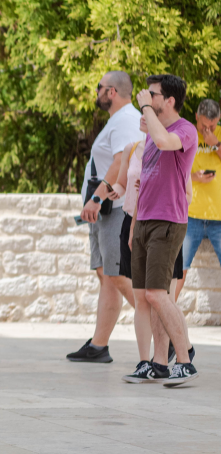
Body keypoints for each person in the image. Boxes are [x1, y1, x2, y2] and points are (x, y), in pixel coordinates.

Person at [66, 71, 140, 363]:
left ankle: (169, 335)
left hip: (114, 206)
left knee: (119, 275)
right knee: (107, 275)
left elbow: (122, 160)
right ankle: (99, 346)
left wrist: (97, 197)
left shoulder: (126, 120)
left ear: (111, 91)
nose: (95, 92)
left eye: (99, 88)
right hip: (105, 208)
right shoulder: (118, 120)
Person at [130, 74, 199, 386]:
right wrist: (134, 226)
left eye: (153, 94)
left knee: (159, 293)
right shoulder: (151, 131)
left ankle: (184, 360)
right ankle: (158, 363)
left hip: (168, 221)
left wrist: (145, 108)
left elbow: (163, 142)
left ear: (169, 100)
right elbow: (147, 177)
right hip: (145, 221)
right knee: (148, 296)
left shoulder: (185, 130)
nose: (146, 96)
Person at [116, 119, 189, 383]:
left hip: (167, 224)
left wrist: (156, 191)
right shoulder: (136, 147)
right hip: (138, 223)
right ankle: (148, 362)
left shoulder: (173, 149)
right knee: (143, 298)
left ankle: (178, 355)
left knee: (161, 296)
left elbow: (186, 193)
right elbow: (125, 186)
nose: (143, 117)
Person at [174, 99, 221, 302]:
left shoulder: (219, 136)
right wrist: (194, 177)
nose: (208, 130)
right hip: (190, 215)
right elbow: (173, 170)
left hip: (219, 217)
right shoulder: (187, 134)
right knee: (178, 271)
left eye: (213, 126)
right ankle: (164, 316)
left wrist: (216, 145)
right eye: (204, 126)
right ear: (196, 118)